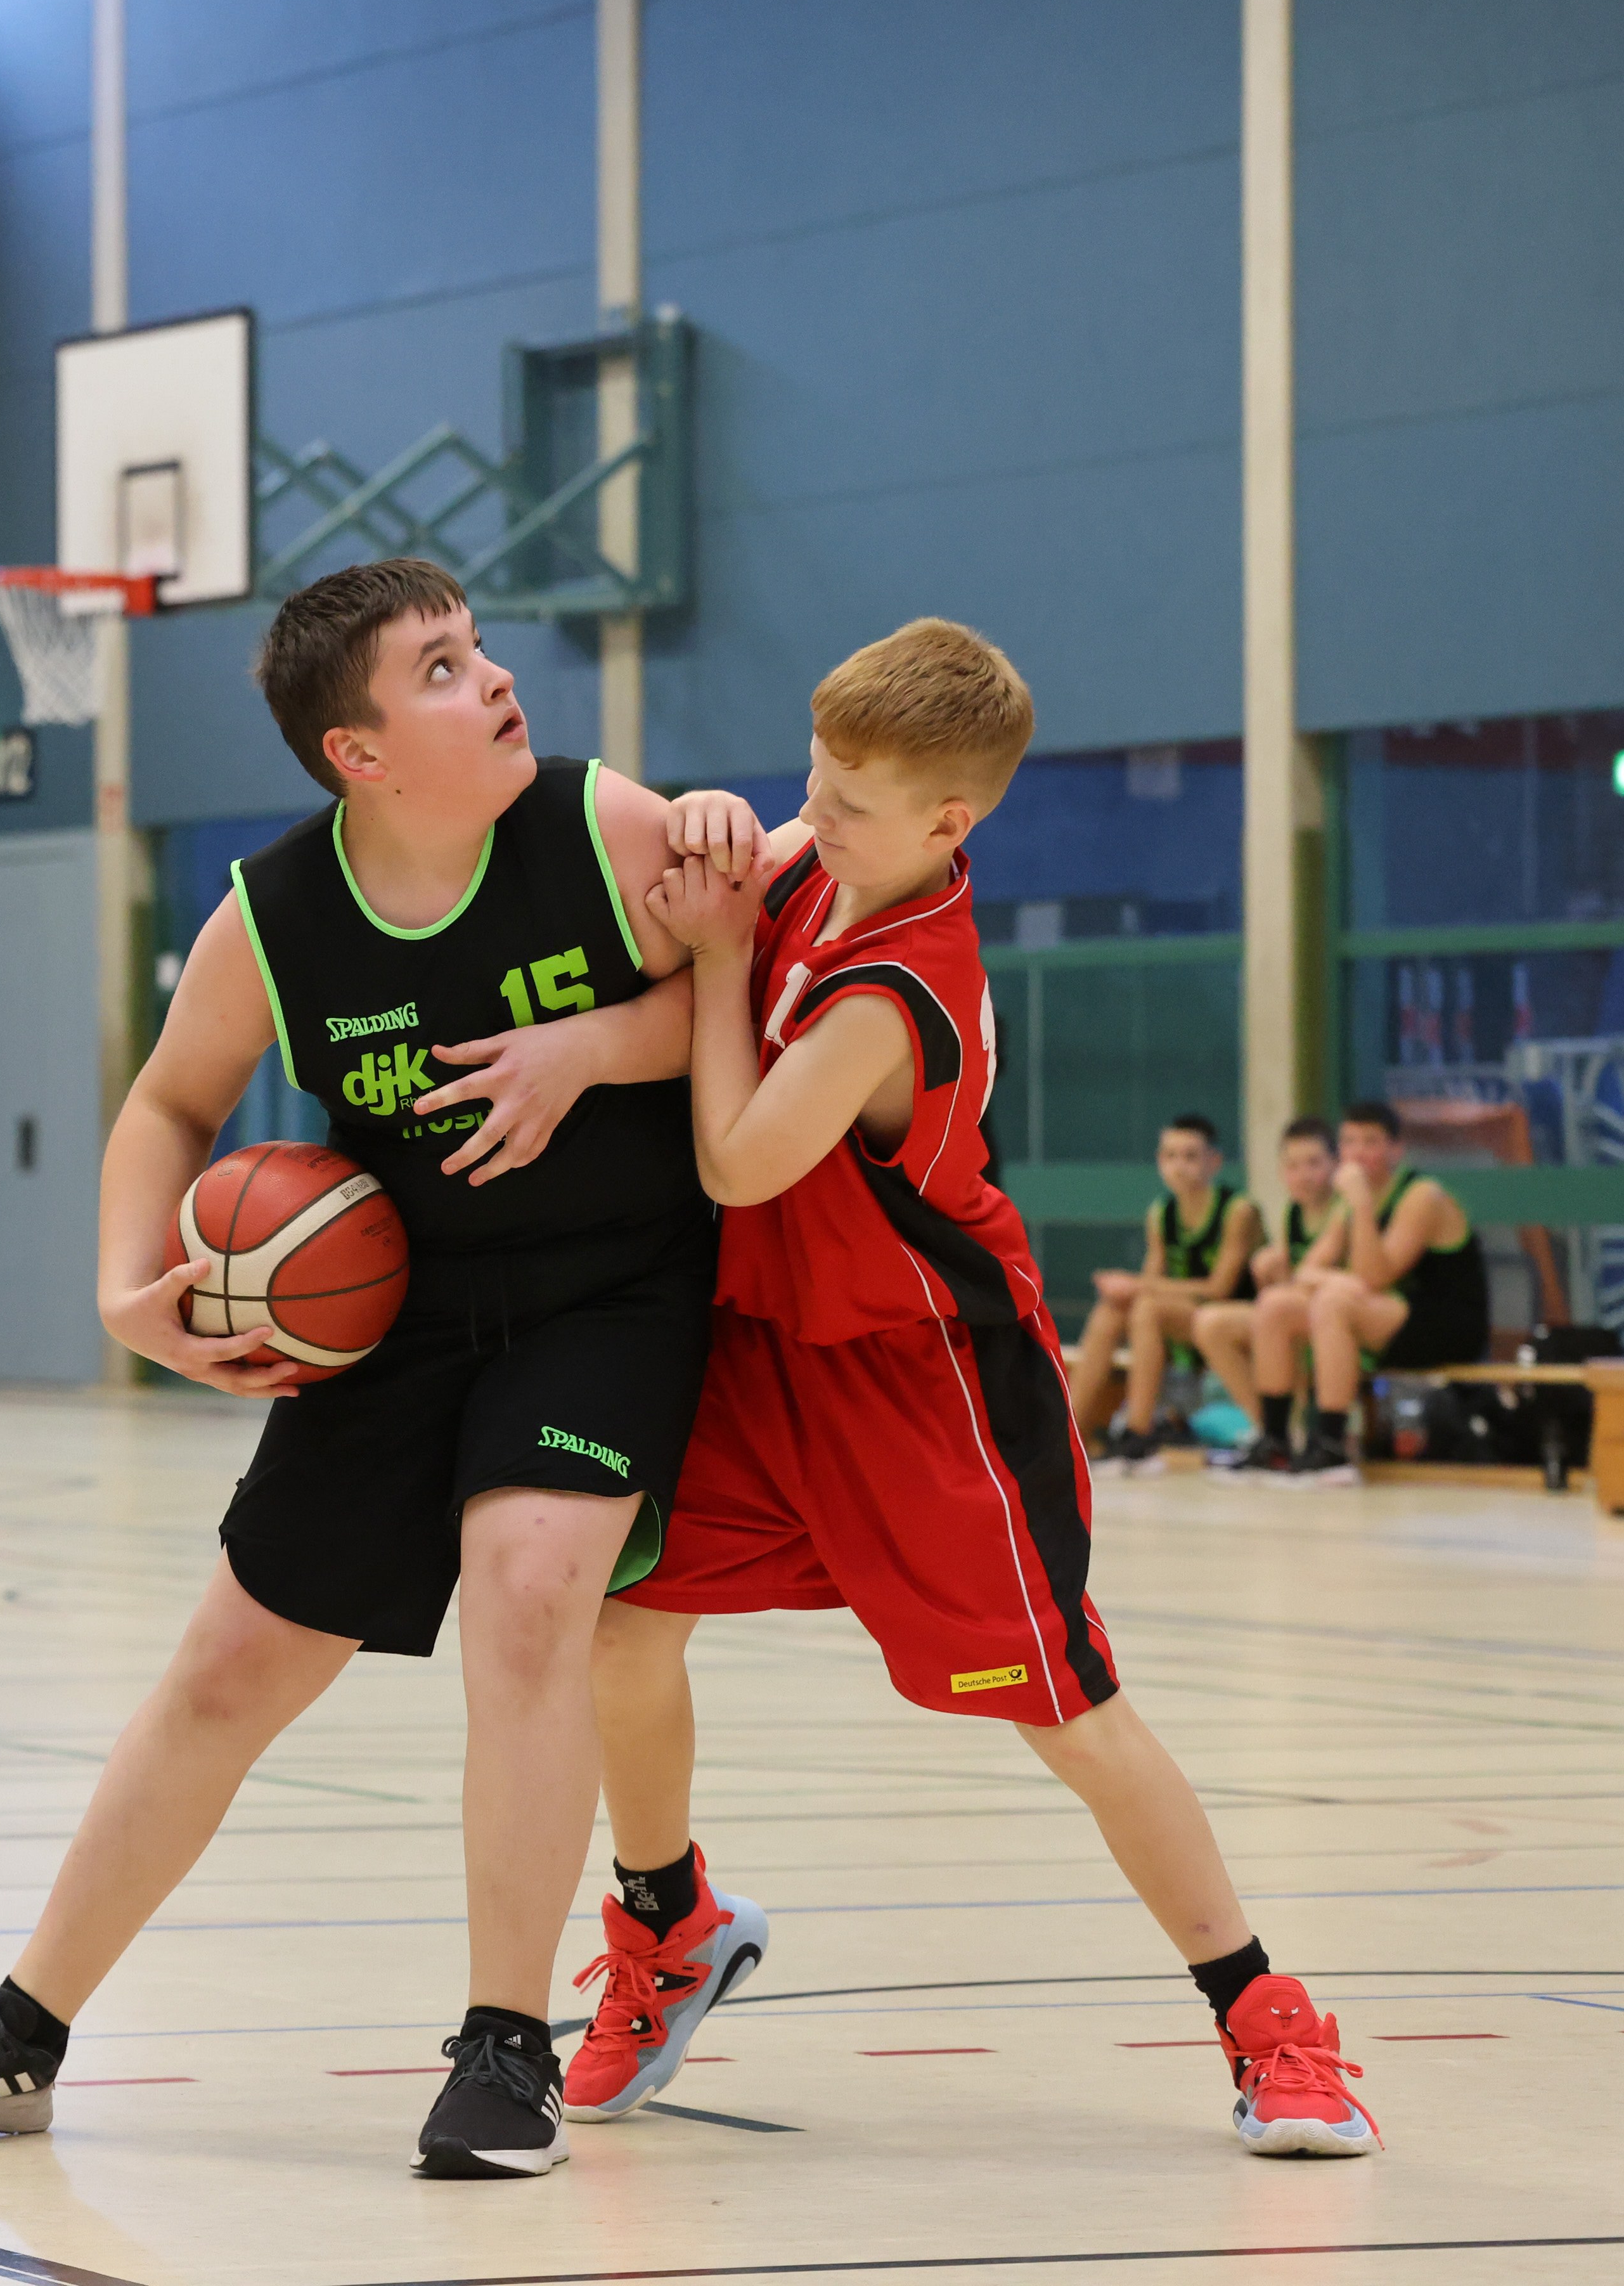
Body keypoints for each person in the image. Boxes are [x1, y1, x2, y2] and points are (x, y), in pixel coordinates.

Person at [0, 558, 766, 2183]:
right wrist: (125, 1289)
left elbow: (748, 1000)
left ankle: (506, 2042)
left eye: (479, 648)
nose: (492, 678)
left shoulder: (600, 825)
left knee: (529, 1591)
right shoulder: (276, 915)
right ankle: (23, 2028)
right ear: (359, 751)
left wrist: (592, 1043)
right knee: (228, 1666)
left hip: (609, 1291)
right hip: (401, 1308)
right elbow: (168, 1102)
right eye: (440, 666)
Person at [566, 619, 1379, 2159]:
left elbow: (736, 1156)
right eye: (810, 776)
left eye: (846, 801)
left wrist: (725, 951)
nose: (811, 811)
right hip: (763, 1347)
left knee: (1068, 1712)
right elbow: (709, 881)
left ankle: (1268, 2018)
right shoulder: (829, 849)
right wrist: (710, 830)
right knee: (622, 1625)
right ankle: (670, 1922)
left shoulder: (900, 986)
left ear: (950, 822)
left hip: (924, 1377)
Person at [1246, 1099, 1490, 1487]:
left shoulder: (1422, 1196)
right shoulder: (1350, 1203)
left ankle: (1332, 1446)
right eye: (1349, 1142)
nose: (1357, 1154)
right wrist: (1334, 1278)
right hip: (1389, 1312)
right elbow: (1307, 1270)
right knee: (1276, 1305)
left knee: (1334, 1303)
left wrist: (1360, 1205)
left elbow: (1374, 1277)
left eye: (1371, 1143)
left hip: (1446, 1323)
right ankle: (1274, 1442)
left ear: (1396, 1150)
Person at [1067, 1114, 1263, 1476]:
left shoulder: (1238, 1211)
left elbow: (1219, 1288)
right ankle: (1067, 1439)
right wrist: (1128, 1289)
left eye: (1190, 1156)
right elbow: (1152, 1279)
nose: (1179, 1166)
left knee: (1148, 1308)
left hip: (1231, 1321)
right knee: (1113, 1310)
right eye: (1170, 1156)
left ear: (1214, 1162)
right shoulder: (1161, 1214)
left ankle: (1138, 1434)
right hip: (1183, 1322)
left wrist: (1137, 1285)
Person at [1193, 1115, 1340, 1470]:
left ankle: (1299, 1437)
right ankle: (1273, 1434)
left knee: (1278, 1316)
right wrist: (1272, 1274)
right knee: (1211, 1324)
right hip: (1296, 1314)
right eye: (1293, 1166)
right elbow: (1291, 1283)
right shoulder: (1293, 1213)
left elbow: (1314, 1276)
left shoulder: (1343, 1210)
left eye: (1314, 1163)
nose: (1303, 1175)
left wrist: (1284, 1279)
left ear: (1335, 1164)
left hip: (1334, 1319)